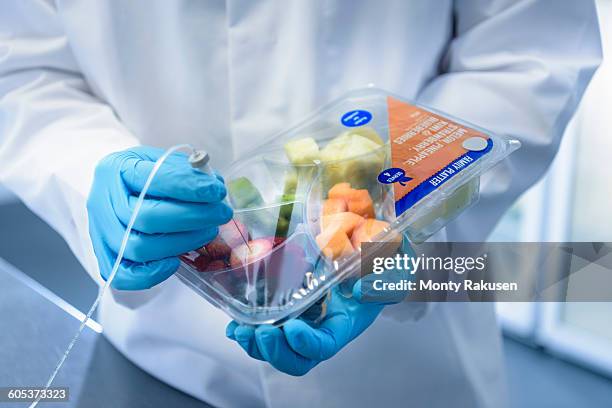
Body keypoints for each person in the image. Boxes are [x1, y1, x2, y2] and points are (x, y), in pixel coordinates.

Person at [0, 1, 601, 407]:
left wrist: (408, 211)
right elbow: (24, 66)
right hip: (162, 351)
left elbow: (529, 53)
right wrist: (86, 175)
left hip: (408, 368)